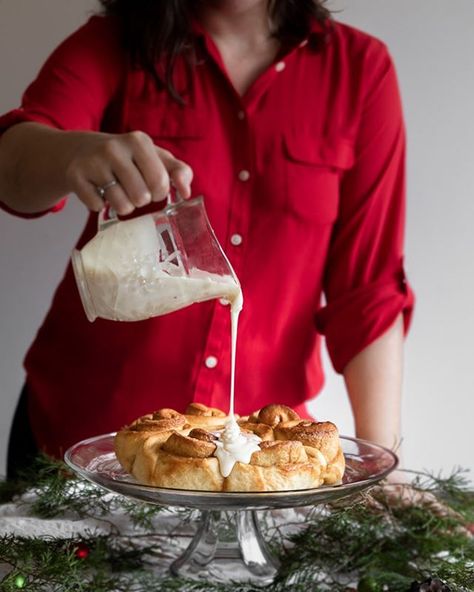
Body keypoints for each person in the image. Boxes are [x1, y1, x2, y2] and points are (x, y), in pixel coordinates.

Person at [0, 0, 414, 478]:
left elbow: (369, 291)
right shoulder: (116, 43)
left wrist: (384, 472)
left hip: (259, 466)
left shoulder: (359, 70)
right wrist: (71, 153)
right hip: (84, 442)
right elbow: (11, 168)